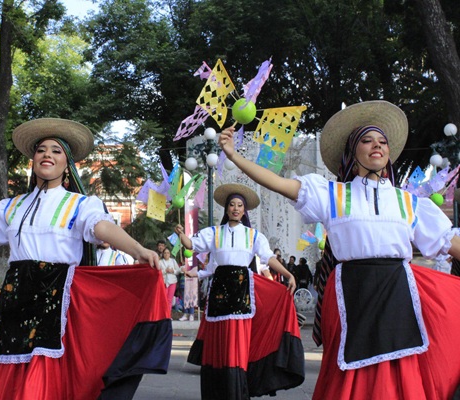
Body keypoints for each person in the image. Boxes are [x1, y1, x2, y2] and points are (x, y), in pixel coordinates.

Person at [219, 100, 460, 399]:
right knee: (351, 372)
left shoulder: (408, 203)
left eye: (383, 141)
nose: (377, 145)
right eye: (367, 140)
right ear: (352, 151)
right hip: (350, 293)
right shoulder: (332, 194)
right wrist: (234, 156)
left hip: (398, 292)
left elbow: (448, 243)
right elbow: (278, 183)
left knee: (400, 371)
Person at [0, 117, 170, 400]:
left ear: (67, 164)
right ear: (33, 159)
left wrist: (137, 250)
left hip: (56, 305)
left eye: (56, 151)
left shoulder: (80, 204)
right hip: (14, 302)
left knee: (44, 378)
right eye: (41, 149)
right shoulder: (12, 205)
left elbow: (102, 228)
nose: (47, 155)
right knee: (10, 371)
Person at [175, 183, 304, 398]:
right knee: (219, 341)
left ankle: (237, 390)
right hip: (219, 293)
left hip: (242, 292)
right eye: (232, 205)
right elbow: (191, 244)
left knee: (238, 341)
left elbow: (268, 258)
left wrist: (289, 274)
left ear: (245, 210)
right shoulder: (214, 233)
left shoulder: (253, 235)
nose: (235, 208)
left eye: (240, 205)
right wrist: (181, 234)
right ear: (226, 209)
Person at [159, 247, 181, 314]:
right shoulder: (160, 262)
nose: (166, 254)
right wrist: (165, 271)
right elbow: (158, 272)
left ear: (169, 254)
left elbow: (178, 271)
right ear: (163, 254)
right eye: (165, 253)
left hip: (172, 281)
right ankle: (162, 314)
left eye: (168, 253)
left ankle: (168, 314)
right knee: (163, 299)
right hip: (164, 282)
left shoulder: (173, 261)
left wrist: (172, 271)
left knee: (169, 299)